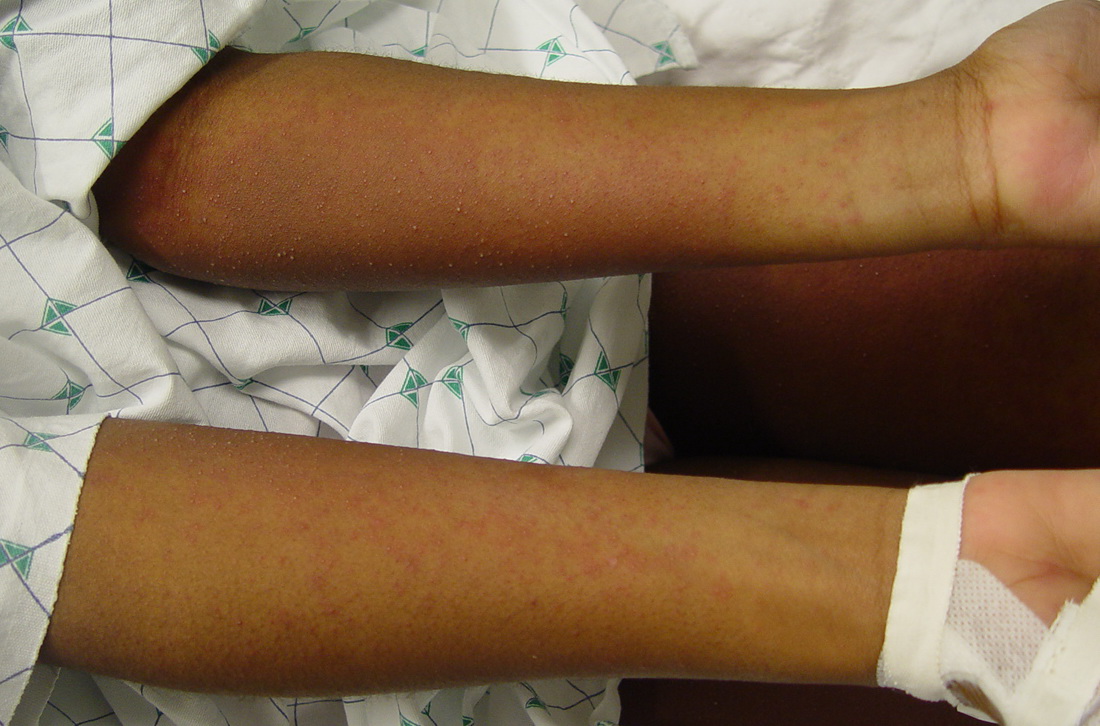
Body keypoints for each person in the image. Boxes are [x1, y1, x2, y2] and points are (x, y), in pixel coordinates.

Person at [4, 0, 1100, 724]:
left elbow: (116, 133)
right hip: (420, 658)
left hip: (508, 247)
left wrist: (956, 144)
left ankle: (949, 581)